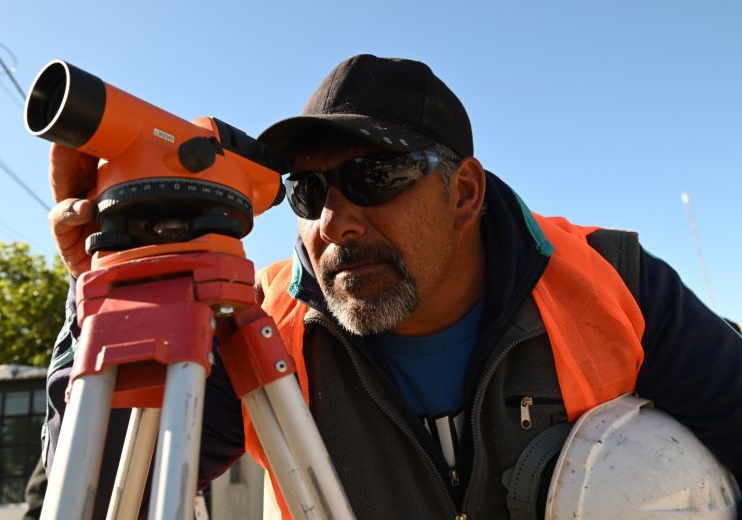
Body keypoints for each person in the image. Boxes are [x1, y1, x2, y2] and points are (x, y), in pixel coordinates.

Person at [44, 54, 742, 519]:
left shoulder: (609, 279)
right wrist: (107, 301)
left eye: (374, 177)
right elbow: (107, 499)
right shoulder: (252, 324)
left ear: (464, 192)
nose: (335, 220)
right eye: (309, 191)